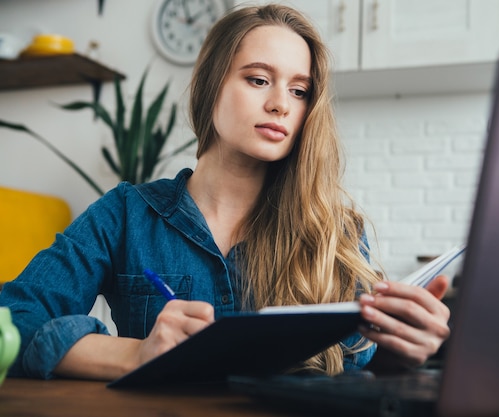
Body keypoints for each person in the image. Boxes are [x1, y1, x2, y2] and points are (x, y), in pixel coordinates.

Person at [0, 4, 450, 381]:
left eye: (300, 90)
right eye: (258, 79)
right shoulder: (125, 214)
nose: (281, 104)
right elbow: (13, 322)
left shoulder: (335, 233)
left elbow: (357, 366)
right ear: (211, 84)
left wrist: (406, 349)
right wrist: (132, 355)